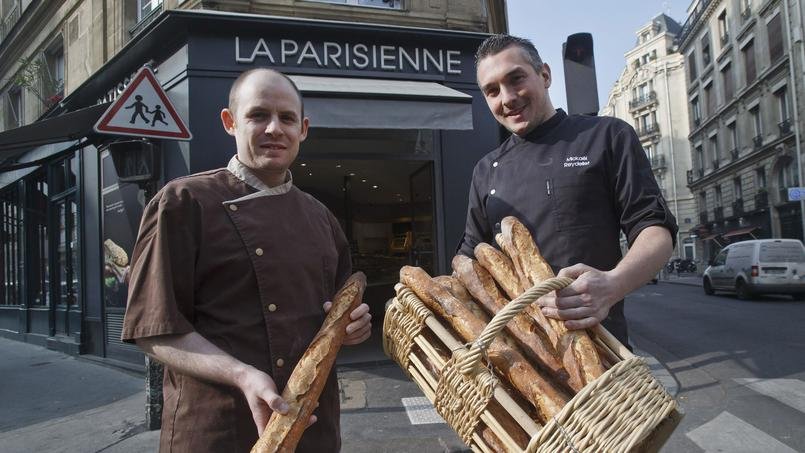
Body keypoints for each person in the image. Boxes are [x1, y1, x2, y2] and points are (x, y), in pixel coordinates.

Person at [121, 68, 372, 452]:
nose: (275, 129)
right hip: (216, 428)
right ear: (229, 121)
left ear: (303, 129)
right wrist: (241, 375)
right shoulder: (183, 203)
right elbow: (152, 329)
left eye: (287, 118)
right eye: (258, 115)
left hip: (312, 429)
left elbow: (336, 316)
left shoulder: (322, 217)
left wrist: (353, 329)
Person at [458, 34, 677, 346]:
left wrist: (613, 284)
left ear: (545, 75)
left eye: (516, 78)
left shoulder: (607, 136)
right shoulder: (485, 169)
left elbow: (655, 229)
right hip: (520, 356)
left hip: (600, 348)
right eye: (492, 91)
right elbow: (468, 259)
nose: (506, 98)